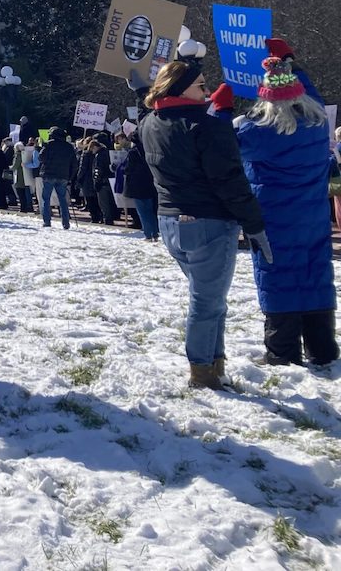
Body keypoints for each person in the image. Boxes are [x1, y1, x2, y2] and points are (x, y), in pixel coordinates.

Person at [140, 60, 268, 390]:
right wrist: (254, 224)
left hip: (170, 222)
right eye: (200, 85)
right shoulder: (207, 127)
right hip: (207, 223)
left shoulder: (150, 124)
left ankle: (214, 364)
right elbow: (230, 181)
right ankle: (203, 371)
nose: (207, 91)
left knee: (211, 298)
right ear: (180, 88)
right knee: (207, 301)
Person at [236, 55, 338, 367]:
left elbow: (222, 143)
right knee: (315, 275)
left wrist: (225, 110)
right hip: (314, 218)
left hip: (274, 220)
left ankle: (282, 351)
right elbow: (315, 98)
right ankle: (322, 348)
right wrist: (295, 67)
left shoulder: (260, 133)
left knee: (278, 278)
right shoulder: (318, 124)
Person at [121, 131, 159, 241]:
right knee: (150, 210)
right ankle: (155, 232)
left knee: (142, 211)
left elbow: (129, 168)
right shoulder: (150, 150)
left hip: (137, 185)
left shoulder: (133, 152)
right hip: (149, 183)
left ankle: (147, 233)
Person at [37, 127, 76, 229]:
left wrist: (41, 148)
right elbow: (74, 164)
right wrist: (70, 177)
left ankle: (47, 221)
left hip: (49, 174)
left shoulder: (49, 144)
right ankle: (66, 223)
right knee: (62, 200)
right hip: (63, 176)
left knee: (46, 198)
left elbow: (41, 158)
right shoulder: (69, 147)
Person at [11, 141, 34, 213]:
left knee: (20, 192)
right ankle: (25, 207)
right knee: (24, 192)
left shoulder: (18, 155)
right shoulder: (25, 153)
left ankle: (23, 208)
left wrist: (10, 168)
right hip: (25, 175)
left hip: (19, 175)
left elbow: (15, 166)